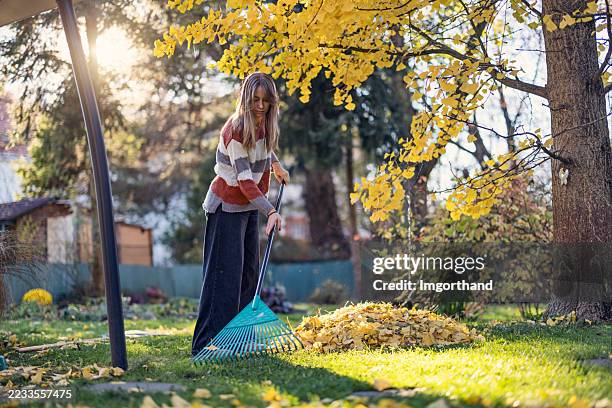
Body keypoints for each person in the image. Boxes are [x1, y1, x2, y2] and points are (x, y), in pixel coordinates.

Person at [191, 72, 290, 357]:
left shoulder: (264, 126)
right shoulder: (235, 129)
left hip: (248, 209)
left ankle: (241, 339)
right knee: (223, 279)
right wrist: (271, 210)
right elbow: (245, 182)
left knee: (248, 276)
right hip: (226, 207)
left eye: (266, 100)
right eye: (255, 100)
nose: (260, 106)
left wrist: (276, 165)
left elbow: (263, 151)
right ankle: (206, 344)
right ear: (245, 100)